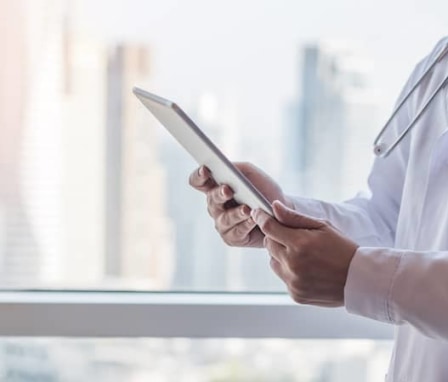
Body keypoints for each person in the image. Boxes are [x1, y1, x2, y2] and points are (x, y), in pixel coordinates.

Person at [189, 36, 448, 381]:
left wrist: (361, 275)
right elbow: (391, 222)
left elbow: (378, 261)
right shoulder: (438, 65)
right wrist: (279, 215)